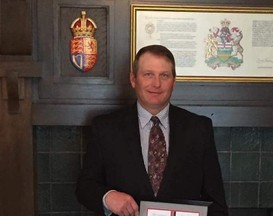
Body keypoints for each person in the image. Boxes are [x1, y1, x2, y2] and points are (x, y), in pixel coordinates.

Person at [76, 45, 228, 216]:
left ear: (174, 82)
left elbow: (217, 204)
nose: (156, 83)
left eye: (164, 75)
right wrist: (108, 197)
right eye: (148, 74)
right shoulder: (105, 128)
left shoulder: (199, 129)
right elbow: (85, 187)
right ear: (133, 79)